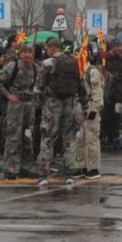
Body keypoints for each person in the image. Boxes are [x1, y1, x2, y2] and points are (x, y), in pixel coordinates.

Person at [34, 38, 81, 186]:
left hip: (52, 104)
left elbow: (39, 86)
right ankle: (69, 174)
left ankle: (43, 174)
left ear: (53, 48)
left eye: (48, 48)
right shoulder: (73, 62)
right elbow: (80, 85)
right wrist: (84, 104)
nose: (46, 51)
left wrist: (37, 106)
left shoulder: (47, 63)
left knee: (47, 139)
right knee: (69, 140)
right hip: (69, 104)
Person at [0, 43, 39, 180]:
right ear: (20, 53)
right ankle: (10, 169)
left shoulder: (36, 69)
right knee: (13, 137)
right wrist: (8, 95)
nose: (27, 55)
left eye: (29, 52)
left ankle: (25, 167)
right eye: (24, 52)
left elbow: (39, 87)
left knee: (27, 137)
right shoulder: (13, 66)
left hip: (29, 106)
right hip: (15, 105)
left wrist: (35, 102)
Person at [78, 56, 105, 180]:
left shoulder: (91, 71)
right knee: (78, 139)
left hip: (90, 105)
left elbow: (97, 90)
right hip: (78, 105)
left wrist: (95, 108)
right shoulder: (77, 69)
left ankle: (94, 168)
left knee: (91, 138)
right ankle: (80, 166)